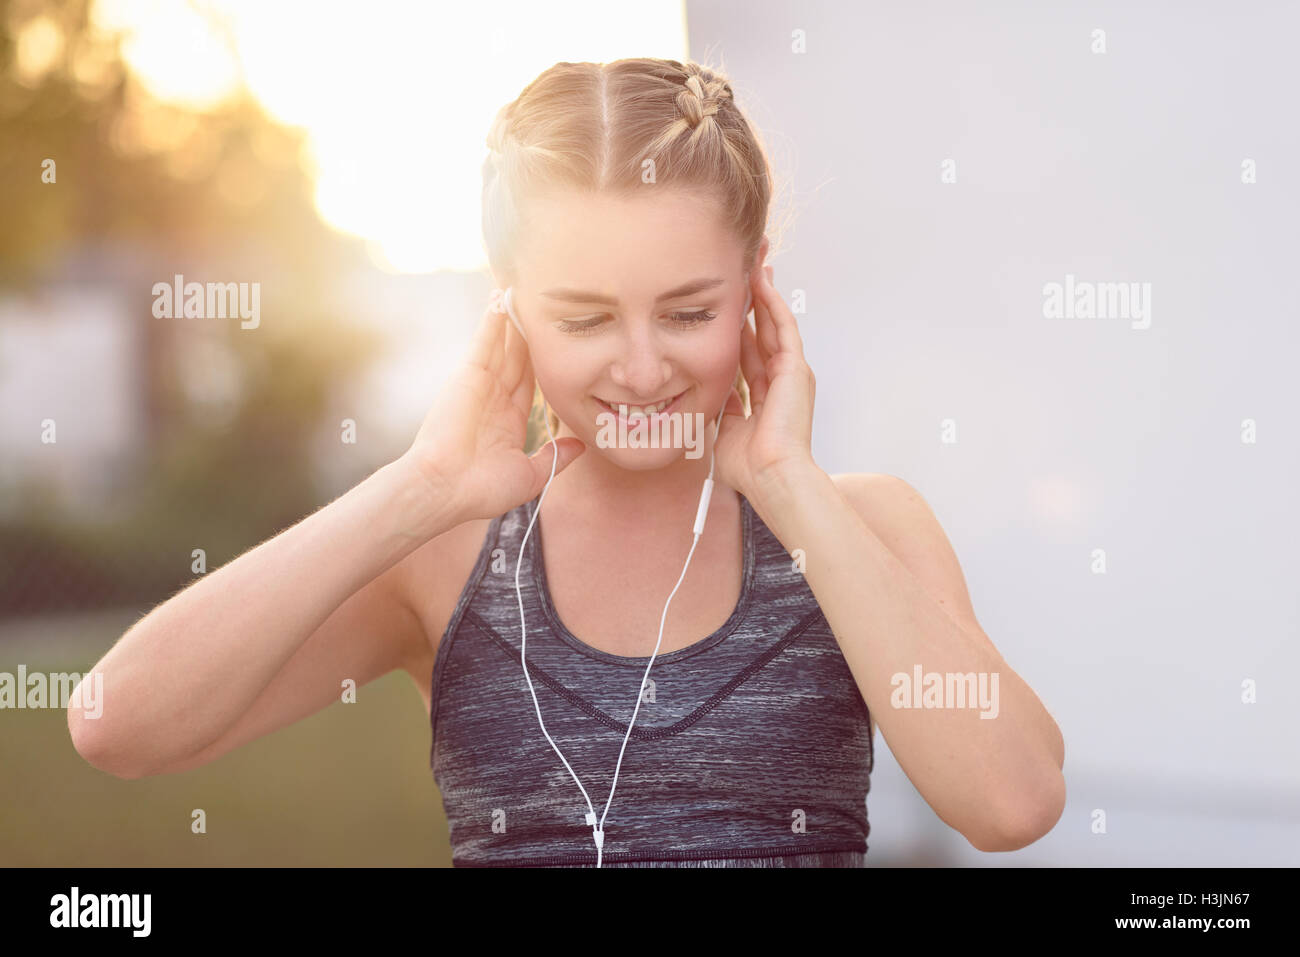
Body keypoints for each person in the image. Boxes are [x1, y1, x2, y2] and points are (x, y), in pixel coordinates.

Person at [68, 58, 1065, 868]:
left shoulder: (861, 527)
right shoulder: (447, 555)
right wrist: (417, 489)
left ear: (759, 288)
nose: (640, 367)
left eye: (688, 312)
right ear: (508, 304)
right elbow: (118, 726)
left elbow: (1012, 802)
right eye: (585, 317)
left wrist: (787, 484)